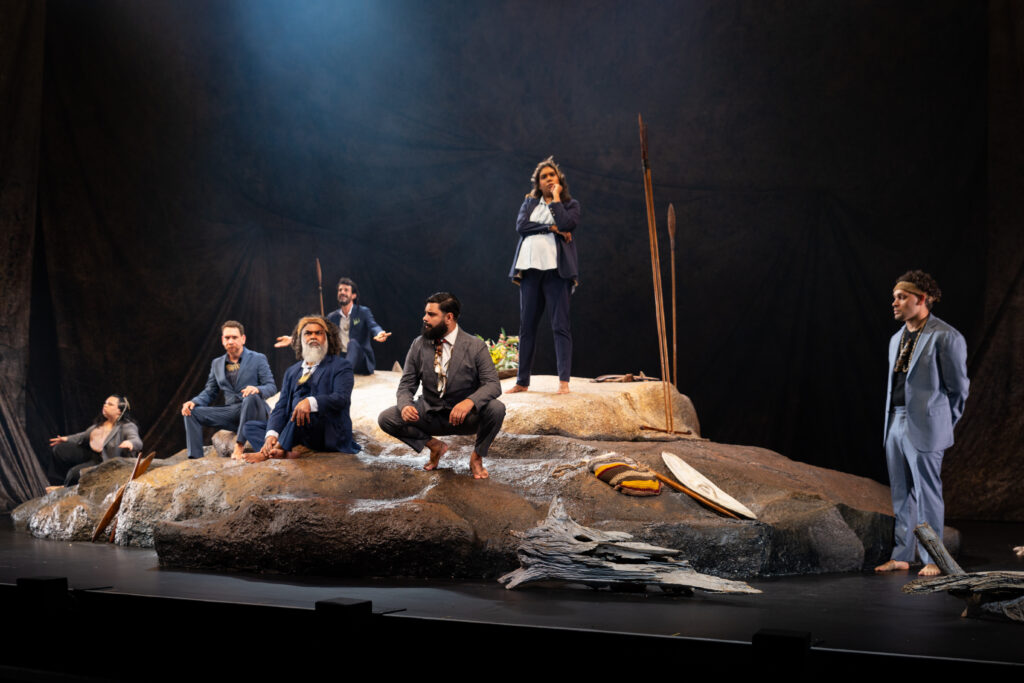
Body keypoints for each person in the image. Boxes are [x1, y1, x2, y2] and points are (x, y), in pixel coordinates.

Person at [875, 270, 969, 577]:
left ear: (922, 299)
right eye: (894, 297)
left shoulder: (946, 336)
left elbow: (958, 390)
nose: (895, 302)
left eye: (902, 297)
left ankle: (934, 559)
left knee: (928, 493)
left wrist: (942, 424)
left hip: (926, 426)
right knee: (901, 493)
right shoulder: (895, 340)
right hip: (894, 421)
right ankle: (902, 555)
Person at [377, 292, 505, 479]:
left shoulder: (475, 346)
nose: (425, 318)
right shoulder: (418, 344)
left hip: (465, 417)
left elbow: (493, 384)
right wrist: (405, 405)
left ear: (449, 317)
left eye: (431, 314)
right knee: (387, 418)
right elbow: (406, 385)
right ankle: (435, 446)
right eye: (425, 313)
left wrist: (469, 402)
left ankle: (477, 457)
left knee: (496, 409)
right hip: (430, 415)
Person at [242, 315, 361, 462]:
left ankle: (269, 453)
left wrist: (310, 402)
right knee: (250, 426)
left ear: (327, 339)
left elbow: (341, 399)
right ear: (300, 339)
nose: (313, 337)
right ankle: (281, 450)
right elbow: (281, 406)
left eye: (318, 333)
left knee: (301, 413)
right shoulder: (292, 371)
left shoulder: (341, 366)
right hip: (298, 430)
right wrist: (271, 434)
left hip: (327, 432)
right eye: (308, 333)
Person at [508, 157, 580, 395]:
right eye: (543, 177)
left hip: (556, 272)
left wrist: (556, 199)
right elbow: (521, 226)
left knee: (560, 326)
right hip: (530, 270)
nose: (548, 179)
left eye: (552, 175)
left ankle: (563, 382)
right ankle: (522, 381)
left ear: (559, 179)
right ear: (538, 183)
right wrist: (550, 228)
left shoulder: (570, 205)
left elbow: (566, 224)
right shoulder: (529, 203)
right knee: (526, 326)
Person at [181, 321, 277, 460]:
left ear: (243, 339)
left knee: (250, 397)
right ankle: (195, 458)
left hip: (255, 410)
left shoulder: (258, 358)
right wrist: (194, 401)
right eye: (227, 338)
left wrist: (257, 389)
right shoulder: (217, 363)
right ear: (222, 340)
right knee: (190, 412)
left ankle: (239, 445)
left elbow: (271, 386)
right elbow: (210, 391)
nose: (230, 341)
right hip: (232, 412)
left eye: (234, 337)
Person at [276, 277, 390, 375]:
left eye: (346, 290)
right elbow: (316, 329)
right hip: (341, 358)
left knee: (353, 343)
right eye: (340, 290)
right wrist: (293, 338)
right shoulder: (333, 317)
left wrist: (379, 333)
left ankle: (343, 374)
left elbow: (373, 326)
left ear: (353, 295)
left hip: (362, 362)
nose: (342, 292)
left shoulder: (362, 312)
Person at [48, 394, 142, 487]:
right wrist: (66, 439)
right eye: (105, 403)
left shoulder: (127, 426)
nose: (105, 405)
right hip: (91, 453)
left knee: (74, 474)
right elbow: (83, 436)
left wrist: (131, 443)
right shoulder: (101, 424)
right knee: (60, 449)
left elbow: (137, 440)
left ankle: (64, 488)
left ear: (119, 410)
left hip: (104, 461)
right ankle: (58, 481)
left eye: (110, 404)